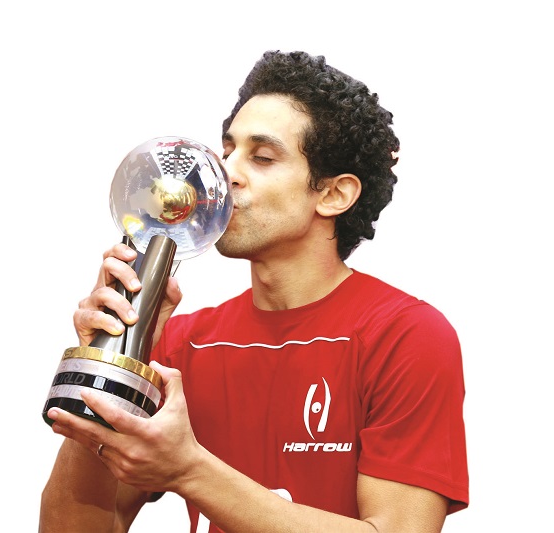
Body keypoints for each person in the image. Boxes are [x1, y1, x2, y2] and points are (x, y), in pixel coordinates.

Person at [40, 50, 469, 533]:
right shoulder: (180, 346)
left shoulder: (406, 336)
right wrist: (109, 361)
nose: (224, 174)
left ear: (333, 194)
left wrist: (189, 469)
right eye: (227, 152)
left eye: (262, 158)